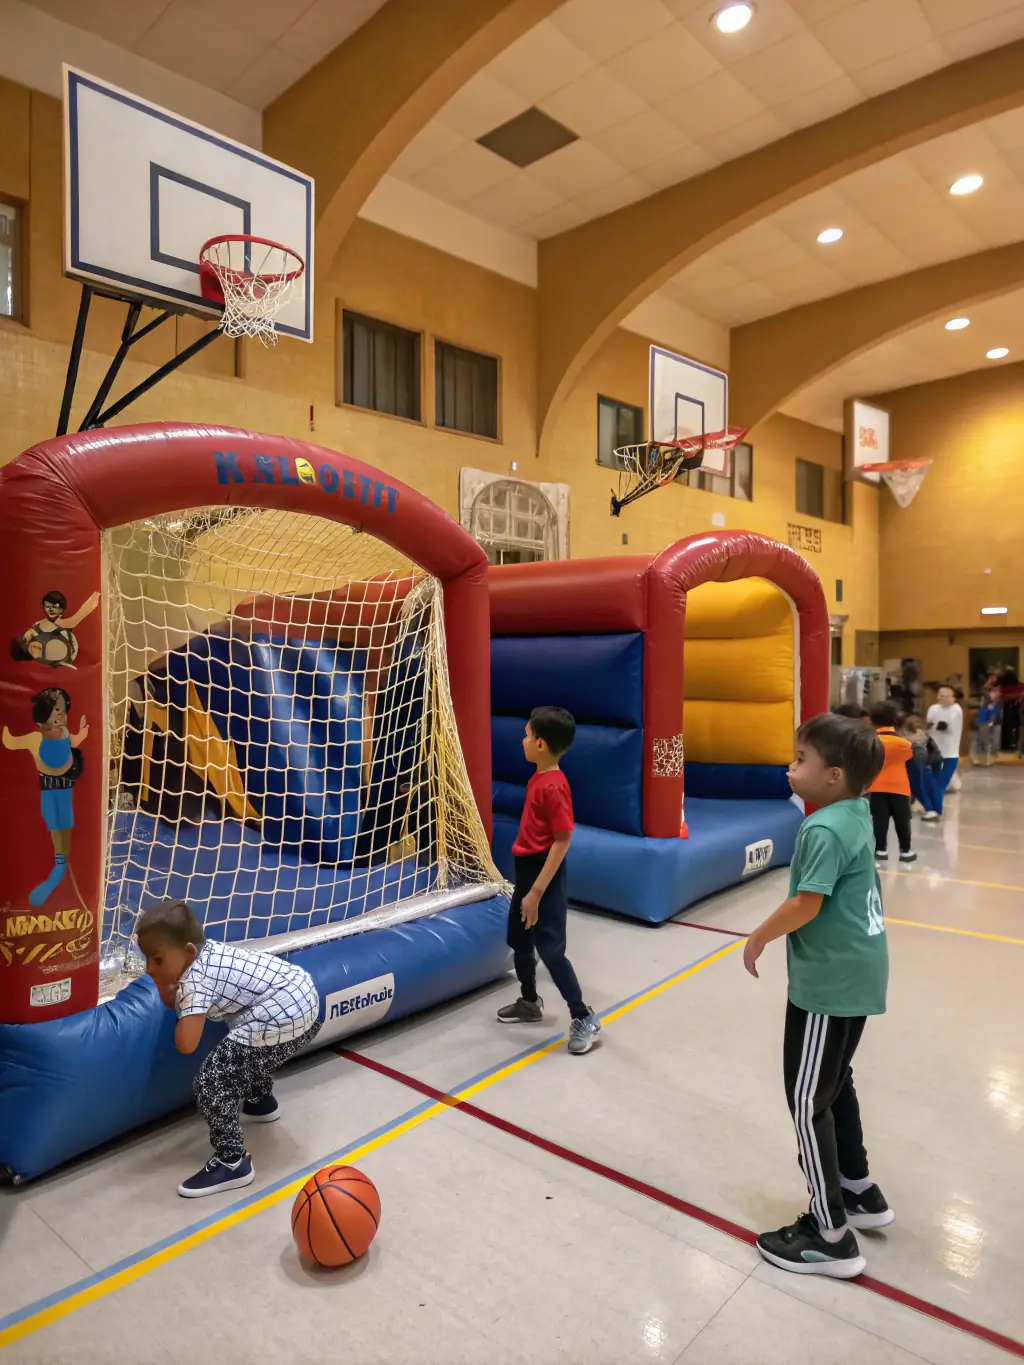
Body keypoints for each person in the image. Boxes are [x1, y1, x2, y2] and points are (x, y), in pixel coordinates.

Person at [743, 713, 892, 1279]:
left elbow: (808, 903)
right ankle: (858, 1188)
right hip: (857, 974)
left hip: (829, 983)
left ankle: (830, 1233)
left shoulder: (822, 828)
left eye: (800, 759)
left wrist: (757, 936)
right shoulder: (854, 812)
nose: (790, 766)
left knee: (807, 1099)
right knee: (835, 1082)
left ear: (832, 776)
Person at [137, 899, 321, 1198]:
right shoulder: (213, 952)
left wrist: (168, 993)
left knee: (211, 1081)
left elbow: (186, 1044)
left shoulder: (194, 982)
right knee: (243, 1046)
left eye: (157, 961)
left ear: (188, 952)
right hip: (306, 1000)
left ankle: (232, 1161)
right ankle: (261, 1101)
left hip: (283, 1015)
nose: (148, 969)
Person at [496, 705, 601, 1056]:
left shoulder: (554, 786)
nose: (522, 740)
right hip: (527, 871)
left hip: (545, 877)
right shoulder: (539, 777)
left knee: (551, 951)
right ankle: (529, 1002)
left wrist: (536, 893)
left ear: (540, 744)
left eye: (527, 735)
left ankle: (583, 1016)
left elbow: (562, 840)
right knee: (519, 940)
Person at [2, 687, 88, 906]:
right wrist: (4, 728)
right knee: (54, 824)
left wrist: (82, 733)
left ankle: (61, 864)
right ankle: (59, 863)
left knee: (64, 824)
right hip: (49, 790)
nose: (60, 715)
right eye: (55, 710)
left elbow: (75, 742)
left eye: (62, 710)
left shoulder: (66, 734)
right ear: (42, 715)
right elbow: (11, 742)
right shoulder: (35, 738)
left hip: (64, 788)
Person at [866, 702, 915, 863]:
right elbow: (911, 761)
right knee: (902, 819)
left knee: (880, 819)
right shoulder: (905, 744)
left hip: (876, 786)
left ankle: (880, 850)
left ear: (872, 721)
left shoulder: (871, 742)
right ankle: (905, 851)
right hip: (900, 787)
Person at [923, 685, 963, 820]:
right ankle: (931, 808)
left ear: (953, 698)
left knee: (940, 784)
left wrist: (933, 725)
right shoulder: (933, 709)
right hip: (933, 752)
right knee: (929, 782)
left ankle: (935, 810)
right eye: (939, 695)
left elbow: (943, 726)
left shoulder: (956, 710)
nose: (940, 698)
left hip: (949, 755)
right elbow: (928, 726)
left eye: (945, 696)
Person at [972, 687, 1002, 766]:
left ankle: (991, 757)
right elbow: (982, 714)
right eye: (991, 693)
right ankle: (981, 758)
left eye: (994, 693)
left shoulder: (999, 704)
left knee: (994, 741)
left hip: (994, 723)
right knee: (983, 741)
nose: (992, 695)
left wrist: (993, 721)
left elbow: (997, 713)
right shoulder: (985, 703)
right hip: (983, 723)